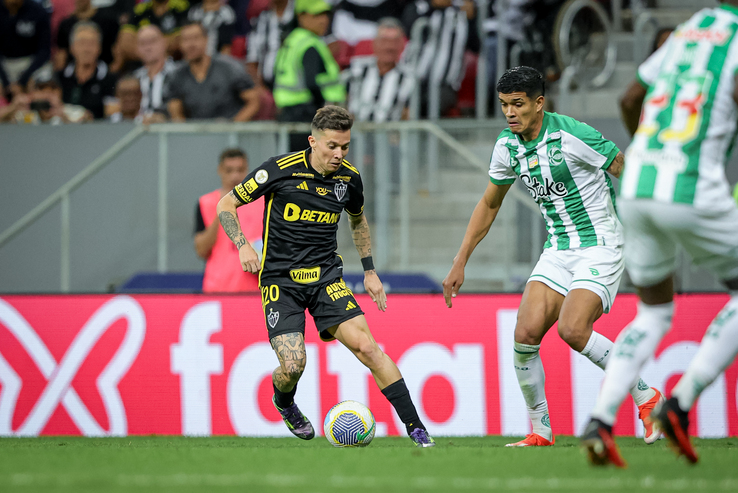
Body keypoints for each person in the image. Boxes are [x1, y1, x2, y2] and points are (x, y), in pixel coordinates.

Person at [442, 66, 662, 448]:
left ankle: (646, 397)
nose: (510, 113)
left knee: (572, 330)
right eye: (504, 106)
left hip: (601, 244)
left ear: (539, 103)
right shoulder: (506, 147)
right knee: (524, 335)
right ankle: (541, 430)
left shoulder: (573, 134)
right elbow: (490, 203)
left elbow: (625, 169)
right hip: (558, 249)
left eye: (518, 104)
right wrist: (461, 259)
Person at [216, 105, 435, 447]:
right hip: (280, 281)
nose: (339, 154)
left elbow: (357, 220)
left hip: (326, 279)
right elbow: (226, 204)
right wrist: (243, 244)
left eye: (345, 146)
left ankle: (417, 429)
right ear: (313, 142)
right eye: (332, 146)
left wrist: (370, 271)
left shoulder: (349, 179)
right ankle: (285, 402)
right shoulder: (279, 170)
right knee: (293, 366)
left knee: (368, 348)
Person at [581, 1, 738, 467]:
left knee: (653, 312)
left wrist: (648, 150)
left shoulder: (688, 30)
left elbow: (630, 98)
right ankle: (681, 403)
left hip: (638, 184)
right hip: (691, 187)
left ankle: (602, 420)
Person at [273, 0, 345, 151]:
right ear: (302, 16)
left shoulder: (292, 40)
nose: (323, 20)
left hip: (287, 114)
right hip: (306, 115)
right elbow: (311, 82)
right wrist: (323, 109)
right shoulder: (309, 44)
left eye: (325, 15)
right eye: (316, 15)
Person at [195, 148, 264, 293]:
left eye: (240, 170)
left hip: (256, 289)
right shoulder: (206, 203)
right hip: (218, 288)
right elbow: (201, 250)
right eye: (229, 170)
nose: (235, 176)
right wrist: (224, 208)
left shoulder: (263, 202)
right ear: (220, 170)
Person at [165, 21, 259, 121]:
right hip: (194, 133)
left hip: (228, 133)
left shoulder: (230, 68)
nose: (191, 44)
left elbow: (254, 101)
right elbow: (175, 112)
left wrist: (232, 126)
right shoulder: (177, 75)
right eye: (186, 40)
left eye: (195, 38)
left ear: (206, 40)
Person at [346, 17, 415, 123]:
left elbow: (408, 114)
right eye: (384, 41)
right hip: (356, 133)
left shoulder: (409, 77)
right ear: (374, 44)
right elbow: (342, 101)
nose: (389, 47)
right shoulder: (357, 68)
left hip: (390, 135)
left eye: (395, 42)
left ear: (402, 45)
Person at [58, 21, 117, 119]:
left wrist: (92, 118)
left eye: (91, 43)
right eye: (81, 43)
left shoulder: (111, 79)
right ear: (72, 48)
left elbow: (113, 114)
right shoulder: (59, 78)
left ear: (99, 48)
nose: (86, 49)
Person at [0, 0, 52, 96]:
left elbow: (44, 51)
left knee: (42, 82)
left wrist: (23, 80)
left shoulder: (38, 11)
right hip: (3, 63)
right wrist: (5, 82)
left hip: (29, 62)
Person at [55, 0, 120, 69]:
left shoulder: (108, 21)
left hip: (104, 70)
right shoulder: (66, 24)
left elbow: (117, 50)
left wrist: (112, 73)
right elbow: (62, 53)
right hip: (73, 73)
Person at [133, 25, 177, 118]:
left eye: (152, 41)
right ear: (137, 48)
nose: (148, 48)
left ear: (164, 42)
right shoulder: (134, 78)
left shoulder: (178, 74)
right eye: (142, 43)